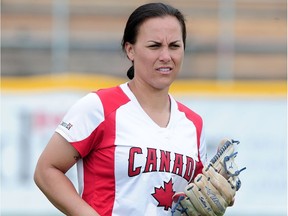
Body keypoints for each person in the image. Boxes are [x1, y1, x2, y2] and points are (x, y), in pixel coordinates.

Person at [34, 3, 234, 216]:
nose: (166, 56)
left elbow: (193, 201)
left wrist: (214, 199)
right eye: (154, 45)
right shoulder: (99, 106)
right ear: (130, 50)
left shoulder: (194, 124)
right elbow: (47, 170)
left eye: (174, 45)